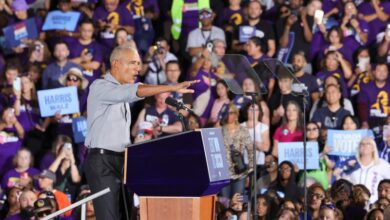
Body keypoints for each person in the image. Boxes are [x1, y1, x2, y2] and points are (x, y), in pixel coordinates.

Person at [84, 45, 198, 220]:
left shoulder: (122, 91)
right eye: (132, 63)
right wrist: (171, 88)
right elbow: (136, 90)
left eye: (138, 63)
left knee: (126, 215)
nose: (138, 68)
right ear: (116, 64)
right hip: (102, 163)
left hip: (123, 161)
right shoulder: (100, 87)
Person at [342, 137, 390, 203]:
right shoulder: (352, 164)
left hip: (375, 203)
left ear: (373, 148)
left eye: (368, 144)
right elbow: (344, 183)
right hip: (354, 202)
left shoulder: (382, 164)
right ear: (358, 148)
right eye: (362, 144)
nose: (364, 146)